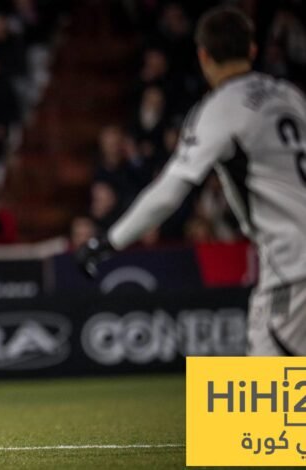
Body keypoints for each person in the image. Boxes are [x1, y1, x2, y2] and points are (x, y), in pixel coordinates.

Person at [76, 6, 306, 356]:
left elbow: (169, 192)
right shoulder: (291, 96)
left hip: (293, 266)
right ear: (252, 50)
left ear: (203, 56)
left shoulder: (221, 108)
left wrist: (108, 241)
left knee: (262, 390)